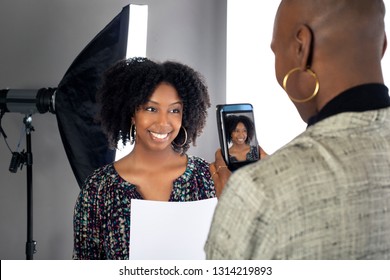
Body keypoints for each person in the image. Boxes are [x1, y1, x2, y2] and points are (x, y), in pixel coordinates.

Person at [205, 0, 390, 259]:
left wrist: (238, 206)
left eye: (276, 51)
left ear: (301, 48)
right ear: (382, 45)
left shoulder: (257, 193)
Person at [73, 57, 217, 259]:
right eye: (151, 109)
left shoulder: (207, 177)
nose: (163, 122)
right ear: (132, 113)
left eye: (174, 110)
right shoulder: (99, 188)